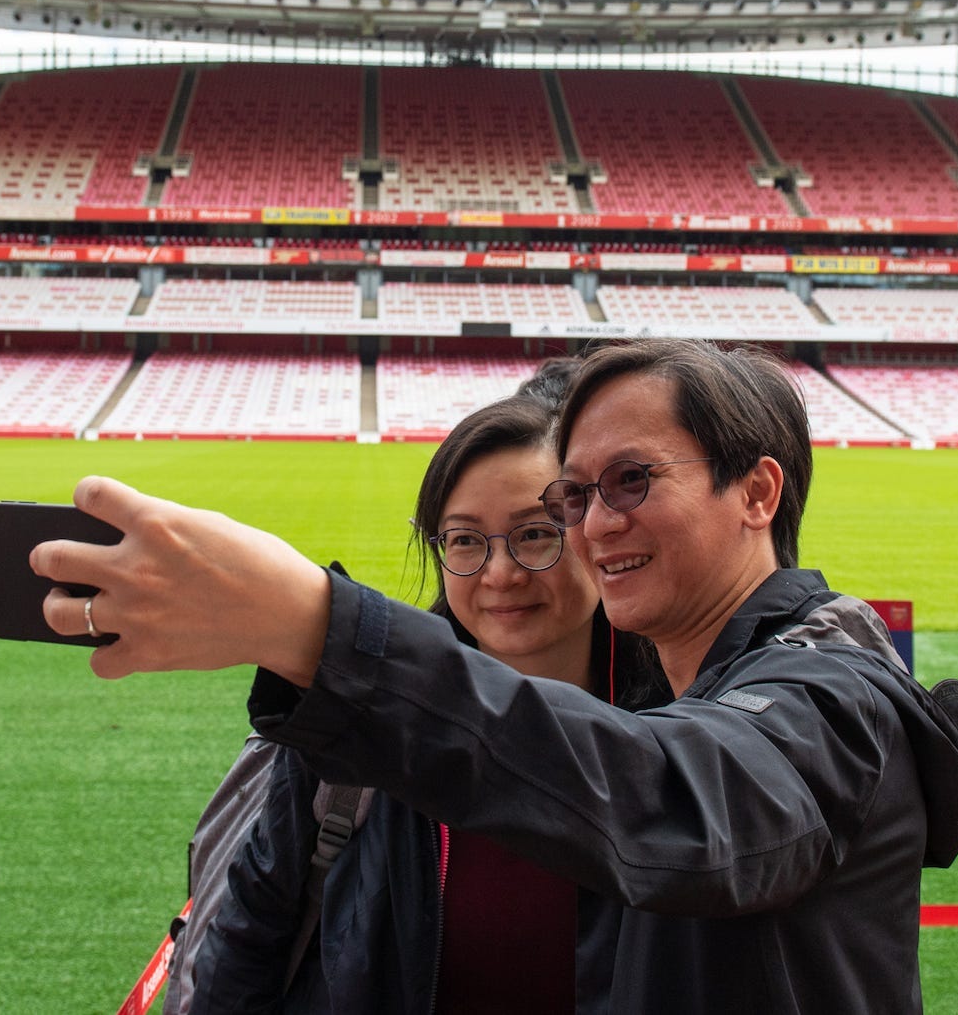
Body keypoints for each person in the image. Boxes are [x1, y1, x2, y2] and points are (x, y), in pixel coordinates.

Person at [36, 339, 958, 1013]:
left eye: (633, 480)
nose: (594, 524)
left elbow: (676, 807)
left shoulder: (833, 701)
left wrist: (316, 626)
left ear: (758, 492)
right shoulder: (696, 688)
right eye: (576, 496)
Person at [188, 363, 667, 1013]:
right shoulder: (355, 715)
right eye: (466, 540)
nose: (500, 573)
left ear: (589, 528)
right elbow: (250, 936)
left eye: (535, 534)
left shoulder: (685, 718)